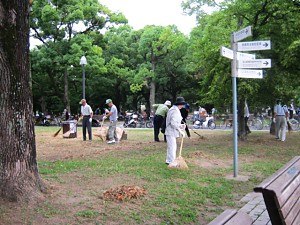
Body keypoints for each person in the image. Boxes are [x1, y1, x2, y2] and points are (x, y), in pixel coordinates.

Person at [165, 97, 186, 165]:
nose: (182, 106)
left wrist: (181, 126)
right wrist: (180, 131)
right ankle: (171, 162)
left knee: (172, 146)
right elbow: (173, 123)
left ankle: (169, 160)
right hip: (170, 131)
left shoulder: (176, 110)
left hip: (172, 131)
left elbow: (176, 122)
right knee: (172, 147)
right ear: (179, 104)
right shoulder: (174, 110)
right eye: (182, 104)